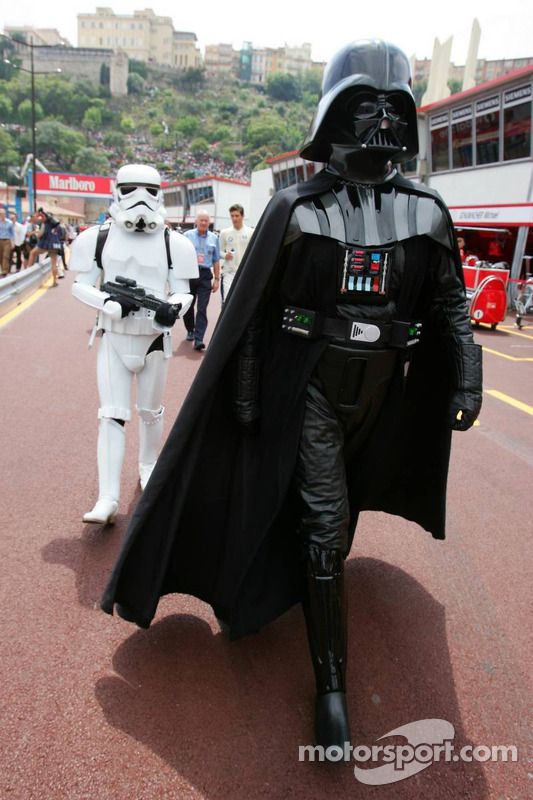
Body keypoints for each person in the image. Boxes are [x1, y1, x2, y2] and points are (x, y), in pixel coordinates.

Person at [102, 42, 482, 755]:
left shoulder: (427, 211)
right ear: (334, 113)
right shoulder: (296, 209)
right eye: (363, 105)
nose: (379, 121)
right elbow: (251, 317)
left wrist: (466, 375)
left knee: (342, 510)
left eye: (392, 107)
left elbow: (450, 304)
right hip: (308, 388)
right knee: (324, 524)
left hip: (383, 392)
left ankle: (312, 584)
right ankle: (331, 689)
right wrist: (247, 394)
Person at [70, 164, 198, 525]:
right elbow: (80, 284)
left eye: (148, 190)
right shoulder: (98, 239)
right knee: (111, 414)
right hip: (114, 336)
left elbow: (184, 291)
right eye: (130, 189)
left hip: (154, 339)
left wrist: (172, 308)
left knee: (150, 411)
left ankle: (149, 466)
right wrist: (106, 303)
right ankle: (107, 496)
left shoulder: (175, 243)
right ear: (117, 191)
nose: (140, 198)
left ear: (159, 194)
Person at [182, 212, 220, 351]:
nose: (204, 223)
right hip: (190, 273)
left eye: (206, 220)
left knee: (202, 308)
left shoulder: (214, 238)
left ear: (209, 222)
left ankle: (199, 338)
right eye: (201, 220)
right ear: (196, 221)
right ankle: (190, 330)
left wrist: (217, 279)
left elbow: (216, 260)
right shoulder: (187, 236)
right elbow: (180, 256)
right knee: (188, 306)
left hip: (205, 275)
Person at [219, 205, 254, 306]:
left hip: (244, 272)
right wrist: (225, 255)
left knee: (243, 301)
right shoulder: (225, 233)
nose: (234, 218)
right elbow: (219, 251)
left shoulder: (251, 232)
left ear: (242, 216)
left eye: (237, 216)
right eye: (232, 216)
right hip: (229, 272)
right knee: (227, 302)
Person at [27, 208, 62, 286]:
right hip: (55, 245)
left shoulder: (45, 224)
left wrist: (36, 233)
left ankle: (28, 271)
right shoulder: (56, 225)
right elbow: (60, 235)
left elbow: (40, 234)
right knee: (54, 264)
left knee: (32, 253)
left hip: (45, 244)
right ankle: (54, 281)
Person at [0, 207, 14, 277]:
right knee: (1, 256)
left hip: (7, 241)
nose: (3, 215)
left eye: (4, 214)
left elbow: (12, 233)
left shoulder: (9, 223)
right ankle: (2, 269)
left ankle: (5, 271)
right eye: (1, 214)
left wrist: (13, 242)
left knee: (6, 255)